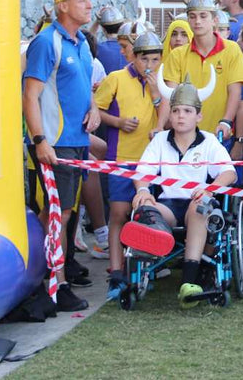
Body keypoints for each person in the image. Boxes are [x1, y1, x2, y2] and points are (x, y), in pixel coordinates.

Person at [23, 0, 101, 312]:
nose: (90, 5)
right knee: (57, 215)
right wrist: (40, 140)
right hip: (56, 144)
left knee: (65, 214)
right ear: (64, 6)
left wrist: (94, 108)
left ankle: (52, 278)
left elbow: (85, 87)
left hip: (76, 142)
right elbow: (30, 95)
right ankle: (48, 283)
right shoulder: (47, 42)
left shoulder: (82, 42)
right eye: (83, 1)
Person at [131, 73, 238, 307]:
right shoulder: (159, 141)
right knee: (145, 204)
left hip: (197, 204)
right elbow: (142, 173)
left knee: (199, 207)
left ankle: (188, 284)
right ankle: (150, 241)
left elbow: (229, 173)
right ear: (170, 114)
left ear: (198, 115)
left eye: (187, 111)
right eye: (176, 110)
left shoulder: (209, 141)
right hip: (168, 205)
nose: (181, 116)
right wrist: (142, 191)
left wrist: (210, 190)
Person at [95, 30, 164, 301]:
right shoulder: (116, 78)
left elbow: (169, 116)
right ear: (133, 57)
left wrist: (158, 97)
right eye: (144, 59)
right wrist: (118, 122)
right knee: (119, 213)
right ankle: (116, 271)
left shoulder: (163, 81)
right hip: (122, 158)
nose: (149, 65)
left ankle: (148, 267)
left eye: (155, 59)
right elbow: (96, 110)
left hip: (152, 161)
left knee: (149, 215)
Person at [161, 0, 243, 143]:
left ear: (214, 20)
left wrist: (226, 121)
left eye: (203, 16)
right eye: (193, 16)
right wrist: (159, 125)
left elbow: (235, 91)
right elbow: (169, 94)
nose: (197, 21)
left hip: (220, 135)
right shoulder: (177, 54)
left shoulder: (232, 49)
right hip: (185, 137)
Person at [95, 5, 128, 74]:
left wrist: (97, 22)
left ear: (103, 29)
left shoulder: (99, 48)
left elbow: (88, 40)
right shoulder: (130, 48)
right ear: (121, 26)